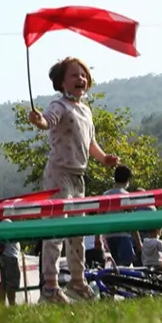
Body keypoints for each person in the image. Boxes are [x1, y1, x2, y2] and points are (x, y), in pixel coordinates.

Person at [27, 56, 120, 304]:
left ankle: (77, 282)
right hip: (59, 174)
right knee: (56, 229)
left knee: (77, 231)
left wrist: (104, 158)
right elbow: (48, 120)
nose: (80, 78)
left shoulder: (86, 110)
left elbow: (90, 143)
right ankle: (50, 287)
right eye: (74, 75)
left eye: (83, 74)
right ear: (62, 83)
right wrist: (39, 120)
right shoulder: (59, 105)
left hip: (79, 176)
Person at [100, 165, 143, 266]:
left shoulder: (105, 195)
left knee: (114, 266)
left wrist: (98, 237)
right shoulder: (126, 195)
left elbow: (100, 215)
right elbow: (132, 219)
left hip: (109, 236)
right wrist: (138, 241)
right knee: (125, 265)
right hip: (123, 235)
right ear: (128, 180)